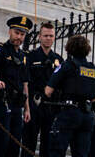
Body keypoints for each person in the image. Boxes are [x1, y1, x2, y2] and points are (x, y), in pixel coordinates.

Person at [0, 15, 34, 157]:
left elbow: (25, 83)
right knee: (1, 142)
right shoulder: (1, 49)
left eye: (22, 34)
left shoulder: (23, 56)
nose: (19, 37)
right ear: (10, 32)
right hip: (2, 101)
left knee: (14, 143)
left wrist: (27, 109)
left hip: (17, 104)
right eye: (17, 33)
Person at [44, 35, 95, 157]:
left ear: (69, 49)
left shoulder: (67, 65)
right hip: (87, 115)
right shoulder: (92, 68)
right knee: (81, 153)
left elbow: (48, 91)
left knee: (57, 151)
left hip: (69, 112)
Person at [23, 23, 61, 157]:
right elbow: (25, 81)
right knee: (29, 142)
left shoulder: (58, 60)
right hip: (34, 104)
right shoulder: (30, 56)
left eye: (51, 36)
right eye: (45, 35)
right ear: (39, 37)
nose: (48, 38)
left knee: (48, 145)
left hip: (51, 107)